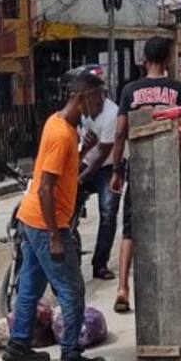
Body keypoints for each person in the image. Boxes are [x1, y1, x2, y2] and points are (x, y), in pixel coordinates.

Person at [3, 70, 107, 361]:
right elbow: (47, 186)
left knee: (30, 288)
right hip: (46, 222)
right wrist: (55, 235)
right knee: (72, 290)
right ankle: (71, 356)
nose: (100, 105)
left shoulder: (58, 124)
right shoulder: (63, 134)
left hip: (30, 217)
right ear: (81, 97)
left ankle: (18, 344)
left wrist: (85, 151)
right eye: (97, 98)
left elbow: (62, 175)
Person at [110, 36, 181, 313]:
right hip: (168, 166)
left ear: (144, 60)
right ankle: (169, 280)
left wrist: (116, 170)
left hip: (138, 168)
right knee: (170, 224)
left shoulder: (129, 90)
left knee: (131, 229)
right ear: (169, 60)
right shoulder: (177, 90)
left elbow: (120, 132)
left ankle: (123, 287)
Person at [77, 79, 120, 281]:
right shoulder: (82, 112)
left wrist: (80, 178)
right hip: (86, 160)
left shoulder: (111, 115)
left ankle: (100, 264)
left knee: (108, 211)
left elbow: (102, 155)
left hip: (107, 166)